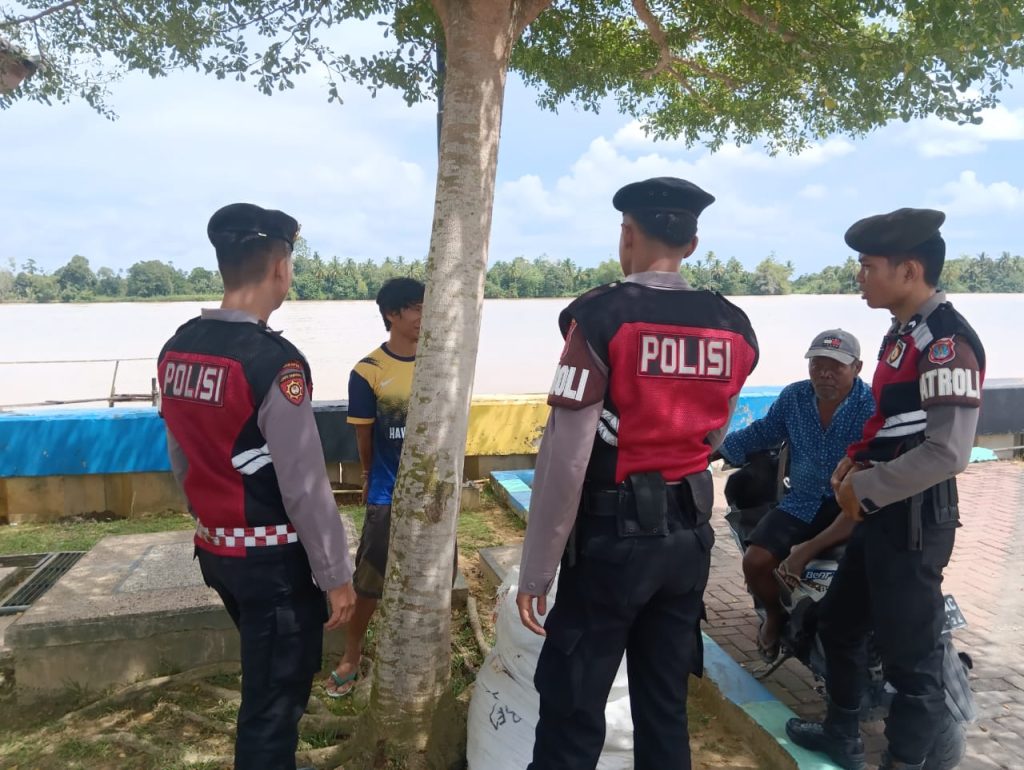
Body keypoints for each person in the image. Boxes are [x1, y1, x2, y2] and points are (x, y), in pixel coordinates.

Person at [516, 177, 759, 770]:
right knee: (663, 707)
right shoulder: (733, 326)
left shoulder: (601, 317)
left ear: (627, 234)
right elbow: (716, 433)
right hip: (688, 543)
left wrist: (537, 569)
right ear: (692, 244)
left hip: (611, 548)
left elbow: (566, 459)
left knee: (573, 708)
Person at [159, 203, 356, 770]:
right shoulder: (274, 363)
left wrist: (207, 513)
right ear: (280, 268)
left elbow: (180, 451)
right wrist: (336, 576)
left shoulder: (179, 347)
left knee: (265, 679)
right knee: (272, 710)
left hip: (216, 552)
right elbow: (304, 484)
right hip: (274, 567)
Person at [786, 208, 986, 770]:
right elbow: (893, 420)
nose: (860, 277)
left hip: (913, 519)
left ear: (909, 270)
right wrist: (855, 457)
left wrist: (867, 486)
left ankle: (904, 761)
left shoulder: (946, 342)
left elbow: (948, 452)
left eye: (868, 266)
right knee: (839, 623)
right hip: (881, 510)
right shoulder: (902, 335)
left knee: (911, 659)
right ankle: (841, 734)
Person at [717, 329, 874, 660]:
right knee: (755, 561)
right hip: (802, 501)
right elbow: (764, 431)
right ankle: (775, 616)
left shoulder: (872, 406)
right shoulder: (795, 397)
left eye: (836, 366)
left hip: (850, 506)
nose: (824, 374)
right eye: (817, 365)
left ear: (857, 368)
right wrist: (713, 449)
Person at [324, 277, 445, 696]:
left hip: (435, 492)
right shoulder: (368, 371)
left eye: (428, 307)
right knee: (369, 579)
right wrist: (368, 477)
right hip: (387, 491)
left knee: (436, 573)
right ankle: (352, 653)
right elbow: (365, 437)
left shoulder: (441, 363)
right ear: (392, 314)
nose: (424, 316)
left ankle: (423, 649)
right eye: (416, 308)